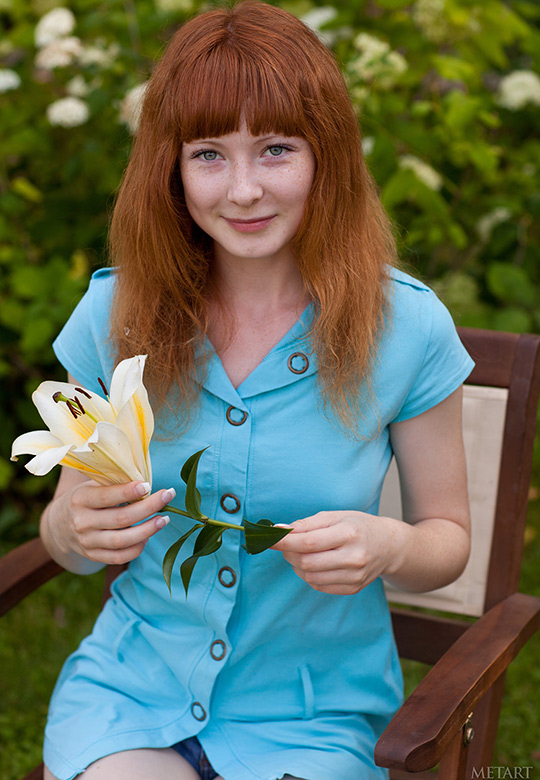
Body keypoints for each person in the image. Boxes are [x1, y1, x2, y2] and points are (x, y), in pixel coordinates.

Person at [39, 3, 473, 779]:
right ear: (169, 166)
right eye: (209, 154)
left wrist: (393, 546)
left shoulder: (408, 327)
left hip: (318, 716)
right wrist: (74, 533)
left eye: (276, 150)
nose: (242, 191)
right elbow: (64, 535)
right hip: (133, 694)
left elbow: (447, 537)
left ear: (327, 156)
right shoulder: (114, 315)